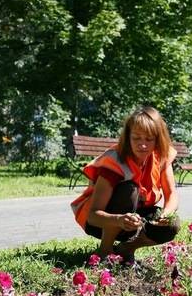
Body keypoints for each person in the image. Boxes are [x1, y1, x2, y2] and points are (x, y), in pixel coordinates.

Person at [71, 106, 181, 263]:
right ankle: (105, 251)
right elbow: (93, 215)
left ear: (158, 140)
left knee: (172, 224)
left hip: (133, 219)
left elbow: (172, 195)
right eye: (136, 138)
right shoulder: (115, 161)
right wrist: (119, 220)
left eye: (149, 139)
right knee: (129, 190)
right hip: (100, 222)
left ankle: (126, 249)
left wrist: (166, 214)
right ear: (127, 137)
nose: (142, 145)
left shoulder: (161, 156)